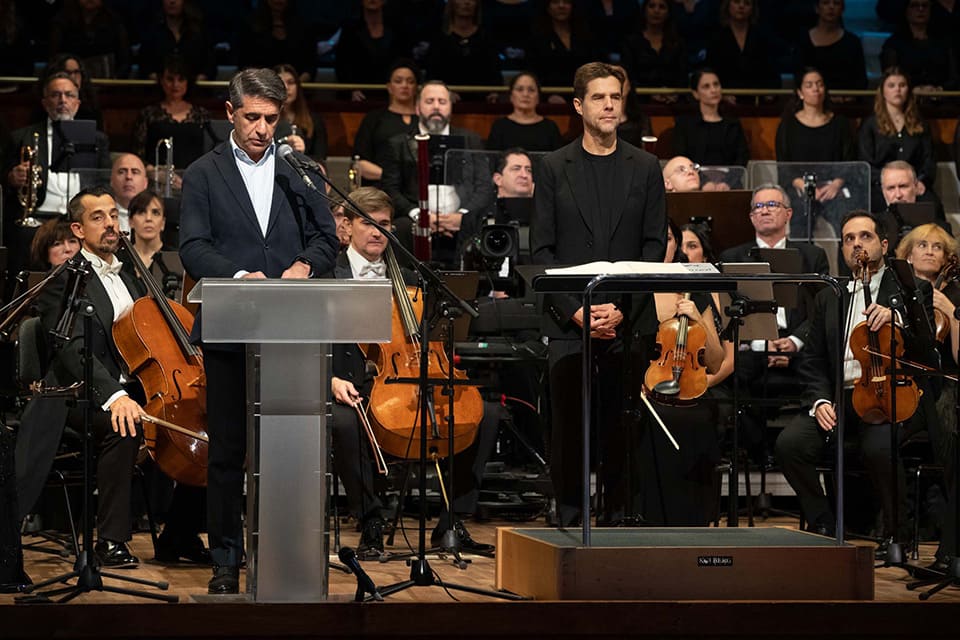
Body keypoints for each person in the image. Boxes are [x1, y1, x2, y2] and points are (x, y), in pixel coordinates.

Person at [178, 68, 340, 594]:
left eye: (271, 118)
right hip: (231, 320)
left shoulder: (302, 168)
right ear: (230, 113)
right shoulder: (204, 172)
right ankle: (226, 558)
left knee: (288, 447)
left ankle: (286, 552)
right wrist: (241, 275)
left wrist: (303, 268)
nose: (262, 128)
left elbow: (326, 240)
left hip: (292, 326)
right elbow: (193, 248)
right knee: (228, 448)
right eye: (252, 117)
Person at [530, 62, 666, 526]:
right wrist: (577, 313)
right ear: (578, 106)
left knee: (621, 427)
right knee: (569, 428)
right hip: (570, 323)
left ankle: (620, 517)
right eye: (599, 98)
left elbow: (652, 245)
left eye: (616, 97)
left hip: (628, 322)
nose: (609, 105)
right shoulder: (552, 167)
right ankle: (568, 518)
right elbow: (541, 250)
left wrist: (622, 309)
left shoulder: (647, 167)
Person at [326, 186, 496, 557]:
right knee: (344, 422)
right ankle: (370, 518)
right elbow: (311, 338)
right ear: (347, 227)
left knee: (487, 413)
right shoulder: (328, 275)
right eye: (367, 223)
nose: (377, 232)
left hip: (408, 377)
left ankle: (452, 521)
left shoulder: (412, 279)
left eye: (384, 224)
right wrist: (331, 380)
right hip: (348, 381)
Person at [774, 210, 933, 559]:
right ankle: (826, 524)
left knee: (879, 447)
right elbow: (812, 359)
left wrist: (897, 317)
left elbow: (927, 346)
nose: (857, 244)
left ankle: (897, 536)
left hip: (890, 394)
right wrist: (819, 401)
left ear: (884, 244)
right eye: (849, 239)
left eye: (865, 236)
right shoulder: (829, 295)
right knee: (789, 444)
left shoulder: (909, 288)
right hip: (840, 397)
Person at [15, 187, 148, 569]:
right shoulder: (64, 280)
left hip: (134, 386)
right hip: (80, 393)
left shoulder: (134, 274)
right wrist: (113, 396)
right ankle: (110, 541)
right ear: (77, 229)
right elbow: (73, 351)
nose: (110, 224)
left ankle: (182, 533)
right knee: (124, 426)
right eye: (98, 217)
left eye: (112, 215)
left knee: (204, 418)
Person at [719, 184, 830, 459]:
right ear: (751, 217)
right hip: (751, 350)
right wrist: (761, 343)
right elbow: (726, 313)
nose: (765, 210)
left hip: (801, 349)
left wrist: (793, 342)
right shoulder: (731, 258)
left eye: (772, 205)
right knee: (732, 375)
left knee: (822, 369)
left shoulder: (813, 256)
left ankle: (806, 447)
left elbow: (821, 310)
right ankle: (758, 452)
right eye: (758, 206)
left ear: (789, 213)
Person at [638, 218, 728, 525]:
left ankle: (692, 521)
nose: (661, 244)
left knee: (693, 419)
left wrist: (699, 322)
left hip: (689, 393)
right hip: (643, 394)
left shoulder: (693, 290)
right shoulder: (631, 289)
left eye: (668, 238)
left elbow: (716, 360)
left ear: (677, 244)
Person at [895, 223, 960, 571]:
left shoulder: (955, 293)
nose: (930, 250)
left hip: (948, 389)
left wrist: (950, 309)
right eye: (922, 244)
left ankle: (949, 549)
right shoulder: (900, 295)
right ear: (908, 255)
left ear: (948, 258)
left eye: (938, 246)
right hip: (909, 386)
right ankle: (895, 532)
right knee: (882, 439)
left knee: (950, 438)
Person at [3, 72, 111, 280]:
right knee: (20, 236)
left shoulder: (98, 140)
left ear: (78, 103)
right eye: (56, 95)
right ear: (45, 102)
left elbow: (103, 182)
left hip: (81, 217)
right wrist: (11, 177)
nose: (63, 100)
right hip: (40, 217)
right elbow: (4, 178)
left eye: (69, 95)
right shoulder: (22, 137)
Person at [379, 80, 492, 266]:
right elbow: (390, 189)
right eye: (430, 101)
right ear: (417, 108)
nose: (436, 107)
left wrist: (462, 216)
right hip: (414, 221)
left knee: (478, 226)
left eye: (442, 101)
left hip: (461, 220)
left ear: (450, 108)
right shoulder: (398, 144)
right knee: (402, 227)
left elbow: (484, 187)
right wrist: (419, 215)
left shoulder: (471, 140)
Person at [775, 67, 857, 239]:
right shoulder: (788, 125)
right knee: (800, 220)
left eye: (819, 84)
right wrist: (804, 186)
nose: (816, 89)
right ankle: (803, 266)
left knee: (848, 223)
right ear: (800, 92)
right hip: (801, 187)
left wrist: (836, 184)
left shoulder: (840, 123)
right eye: (809, 85)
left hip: (833, 187)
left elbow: (850, 160)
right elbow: (784, 165)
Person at [859, 67, 936, 213]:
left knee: (932, 205)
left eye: (902, 85)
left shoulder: (920, 124)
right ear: (882, 91)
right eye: (891, 85)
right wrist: (887, 184)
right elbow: (865, 163)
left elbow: (929, 160)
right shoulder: (870, 125)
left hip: (914, 186)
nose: (897, 90)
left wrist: (919, 182)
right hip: (880, 188)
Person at [131, 54, 212, 171]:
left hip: (196, 179)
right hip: (157, 179)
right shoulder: (148, 114)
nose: (175, 85)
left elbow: (210, 154)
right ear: (161, 81)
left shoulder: (202, 114)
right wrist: (155, 173)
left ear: (188, 82)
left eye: (181, 79)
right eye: (170, 79)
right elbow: (137, 154)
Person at [352, 59, 420, 187]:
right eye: (398, 81)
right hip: (379, 188)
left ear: (416, 87)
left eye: (410, 81)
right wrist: (393, 177)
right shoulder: (374, 118)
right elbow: (360, 163)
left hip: (417, 190)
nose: (405, 85)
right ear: (389, 87)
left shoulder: (425, 121)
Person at [672, 68, 750, 168]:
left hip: (728, 182)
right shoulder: (684, 125)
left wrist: (727, 182)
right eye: (706, 86)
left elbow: (742, 158)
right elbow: (682, 159)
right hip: (695, 181)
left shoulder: (733, 124)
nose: (713, 90)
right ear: (696, 94)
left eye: (716, 84)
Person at [424, 0, 502, 99]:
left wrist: (494, 93)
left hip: (482, 101)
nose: (466, 2)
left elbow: (495, 74)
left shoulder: (486, 36)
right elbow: (432, 75)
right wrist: (444, 93)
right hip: (445, 102)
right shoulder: (439, 37)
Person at [335, 0, 410, 100]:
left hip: (392, 93)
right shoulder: (350, 28)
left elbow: (406, 61)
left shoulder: (397, 28)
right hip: (358, 96)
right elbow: (342, 63)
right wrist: (352, 89)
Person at [527, 0, 598, 102]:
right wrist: (547, 96)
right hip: (548, 98)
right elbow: (532, 72)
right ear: (547, 6)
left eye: (566, 2)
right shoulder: (537, 36)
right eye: (555, 2)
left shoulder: (585, 33)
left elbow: (593, 67)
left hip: (584, 96)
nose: (561, 6)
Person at [880, 0, 958, 91]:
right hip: (906, 98)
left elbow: (954, 78)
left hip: (941, 98)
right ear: (906, 10)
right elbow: (890, 78)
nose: (920, 9)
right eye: (914, 5)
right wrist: (912, 89)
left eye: (924, 5)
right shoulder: (893, 44)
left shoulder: (944, 42)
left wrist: (939, 89)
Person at [704, 0, 782, 91]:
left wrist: (769, 92)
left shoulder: (762, 36)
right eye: (736, 2)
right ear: (728, 5)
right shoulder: (716, 37)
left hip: (757, 97)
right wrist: (722, 94)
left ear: (753, 9)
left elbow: (772, 72)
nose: (741, 6)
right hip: (724, 96)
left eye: (747, 3)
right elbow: (710, 71)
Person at [619, 0, 688, 98]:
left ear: (668, 13)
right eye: (651, 6)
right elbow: (628, 77)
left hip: (673, 100)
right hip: (640, 99)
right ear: (644, 11)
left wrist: (674, 93)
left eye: (662, 7)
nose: (656, 11)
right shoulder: (631, 42)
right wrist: (651, 94)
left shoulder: (678, 43)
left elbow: (683, 77)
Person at [798, 0, 868, 92]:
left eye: (836, 3)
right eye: (826, 3)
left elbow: (861, 80)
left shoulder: (852, 42)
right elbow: (798, 76)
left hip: (845, 101)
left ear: (842, 9)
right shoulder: (803, 40)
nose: (831, 7)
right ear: (817, 8)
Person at [137, 0, 216, 81]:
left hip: (195, 89)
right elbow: (144, 64)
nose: (172, 1)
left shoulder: (199, 32)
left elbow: (210, 65)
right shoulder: (151, 32)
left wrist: (197, 81)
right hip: (157, 89)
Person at [486, 72, 563, 152]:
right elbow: (491, 161)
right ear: (511, 96)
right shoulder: (499, 126)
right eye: (520, 89)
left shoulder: (550, 127)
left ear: (538, 97)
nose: (525, 94)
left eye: (531, 90)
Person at [274, 63, 328, 161]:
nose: (286, 87)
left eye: (291, 82)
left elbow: (321, 160)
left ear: (297, 86)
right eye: (281, 83)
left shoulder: (314, 120)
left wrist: (302, 156)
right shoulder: (266, 120)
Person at [879, 160, 949, 230]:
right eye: (891, 188)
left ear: (916, 187)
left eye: (903, 186)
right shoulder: (876, 225)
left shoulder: (935, 222)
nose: (898, 195)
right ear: (883, 191)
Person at [110, 153, 150, 234]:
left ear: (145, 182)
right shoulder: (103, 217)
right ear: (111, 181)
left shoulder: (155, 218)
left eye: (135, 172)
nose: (128, 177)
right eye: (121, 172)